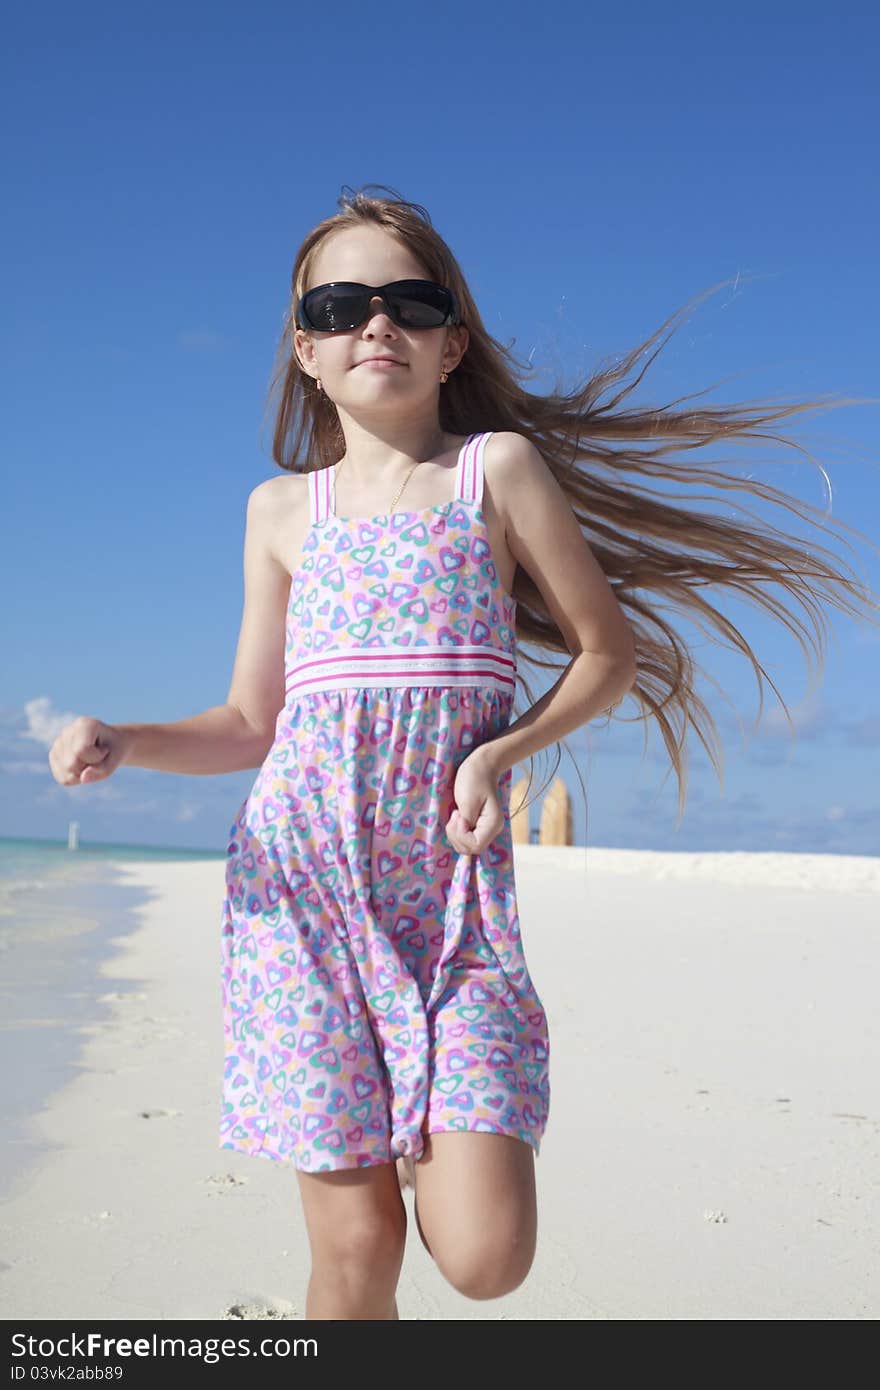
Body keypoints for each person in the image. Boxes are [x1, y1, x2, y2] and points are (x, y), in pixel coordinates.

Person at [49, 183, 880, 1320]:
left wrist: (501, 756)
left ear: (451, 341)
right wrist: (126, 738)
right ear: (305, 351)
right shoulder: (281, 514)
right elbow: (251, 724)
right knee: (354, 1252)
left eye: (408, 300)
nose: (374, 322)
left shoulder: (499, 473)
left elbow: (605, 655)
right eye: (340, 304)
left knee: (486, 1256)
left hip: (453, 909)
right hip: (303, 901)